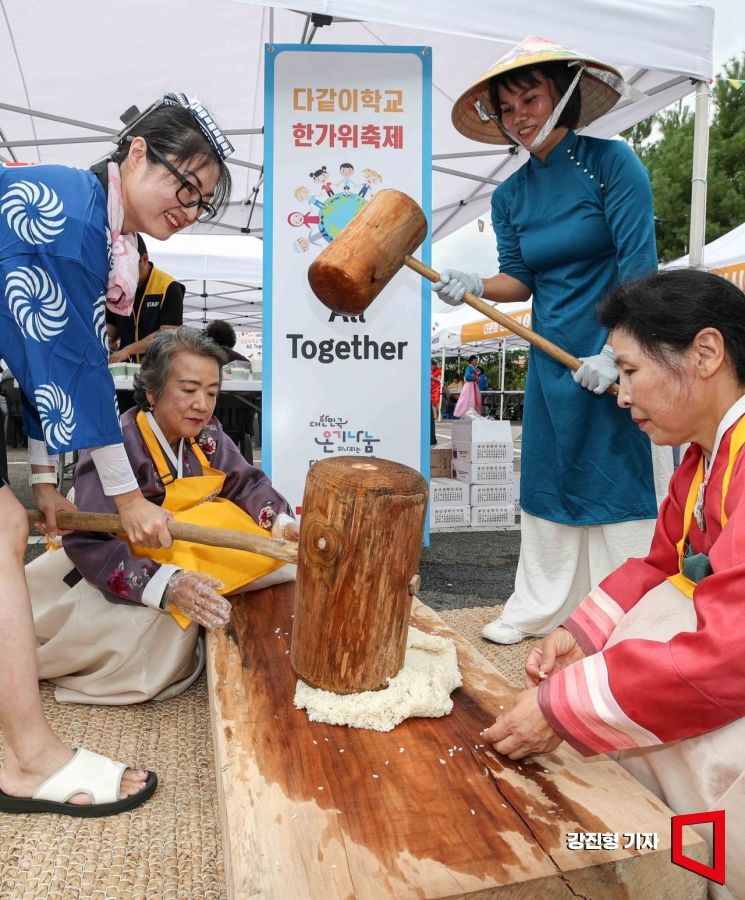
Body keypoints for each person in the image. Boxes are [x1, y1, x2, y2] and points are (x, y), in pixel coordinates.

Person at [0, 90, 232, 816]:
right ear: (134, 152)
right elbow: (72, 369)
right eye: (182, 183)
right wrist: (128, 497)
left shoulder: (100, 236)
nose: (188, 206)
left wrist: (45, 484)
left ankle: (23, 749)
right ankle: (29, 756)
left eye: (203, 199)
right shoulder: (67, 211)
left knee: (9, 530)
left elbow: (48, 360)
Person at [482, 269, 745, 898]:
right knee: (648, 633)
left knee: (720, 815)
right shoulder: (707, 454)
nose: (621, 394)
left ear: (705, 353)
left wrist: (565, 708)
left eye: (628, 370)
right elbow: (661, 565)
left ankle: (704, 862)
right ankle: (680, 851)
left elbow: (731, 652)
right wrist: (580, 639)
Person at [435, 36, 668, 644]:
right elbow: (520, 279)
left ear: (562, 96)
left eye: (530, 99)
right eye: (507, 110)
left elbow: (639, 270)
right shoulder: (510, 195)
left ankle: (623, 613)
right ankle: (538, 604)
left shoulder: (613, 164)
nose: (521, 118)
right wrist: (475, 283)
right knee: (547, 475)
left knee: (617, 476)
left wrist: (619, 353)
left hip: (619, 351)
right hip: (550, 357)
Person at [27, 328, 297, 705]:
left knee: (265, 550)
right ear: (152, 392)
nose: (202, 404)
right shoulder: (117, 446)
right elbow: (87, 541)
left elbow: (246, 483)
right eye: (188, 390)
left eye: (212, 392)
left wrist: (281, 523)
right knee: (151, 650)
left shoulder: (207, 435)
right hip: (113, 570)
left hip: (176, 551)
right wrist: (167, 585)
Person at [107, 234, 185, 363]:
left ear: (144, 259)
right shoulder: (117, 286)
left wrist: (129, 350)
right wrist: (105, 340)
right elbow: (112, 324)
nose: (123, 274)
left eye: (128, 268)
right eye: (119, 268)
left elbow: (167, 335)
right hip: (126, 369)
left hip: (159, 369)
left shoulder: (168, 287)